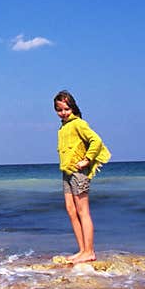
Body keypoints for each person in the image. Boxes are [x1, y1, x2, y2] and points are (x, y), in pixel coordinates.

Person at [53, 90, 111, 264]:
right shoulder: (63, 126)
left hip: (78, 173)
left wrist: (87, 160)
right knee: (71, 210)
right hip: (66, 172)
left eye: (66, 109)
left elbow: (96, 140)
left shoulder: (79, 123)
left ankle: (89, 251)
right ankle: (82, 250)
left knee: (82, 210)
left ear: (73, 107)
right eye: (59, 109)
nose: (63, 112)